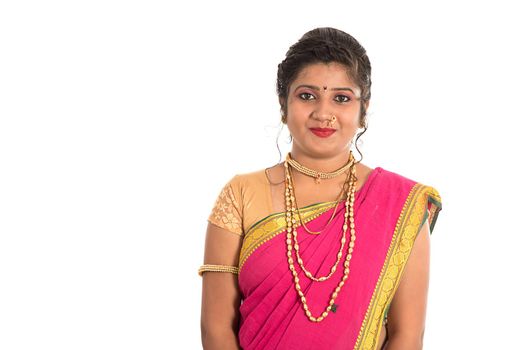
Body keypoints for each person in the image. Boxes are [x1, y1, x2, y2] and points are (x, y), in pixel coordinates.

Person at [198, 27, 442, 350]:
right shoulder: (240, 196)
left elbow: (407, 336)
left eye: (341, 98)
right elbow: (215, 330)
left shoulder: (402, 205)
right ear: (284, 105)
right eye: (307, 95)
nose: (323, 113)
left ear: (363, 110)